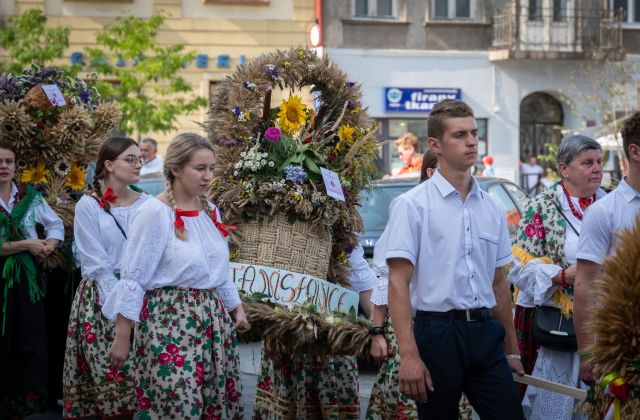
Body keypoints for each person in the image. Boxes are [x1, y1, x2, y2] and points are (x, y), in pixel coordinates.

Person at [385, 99, 524, 419]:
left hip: (485, 335)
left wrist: (511, 349)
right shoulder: (413, 206)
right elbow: (398, 281)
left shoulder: (491, 207)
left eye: (474, 133)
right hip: (437, 334)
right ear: (436, 145)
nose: (472, 141)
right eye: (459, 135)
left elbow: (498, 281)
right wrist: (408, 356)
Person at [104, 133, 249, 418]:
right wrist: (123, 335)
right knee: (178, 406)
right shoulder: (154, 213)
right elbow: (134, 277)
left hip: (212, 325)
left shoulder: (211, 211)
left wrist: (237, 309)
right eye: (200, 168)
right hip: (168, 324)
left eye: (211, 168)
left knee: (213, 405)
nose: (208, 176)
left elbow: (218, 272)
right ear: (176, 169)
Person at [509, 135, 604, 418]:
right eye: (587, 162)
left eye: (599, 161)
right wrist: (562, 276)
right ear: (564, 169)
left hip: (605, 324)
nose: (597, 168)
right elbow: (516, 267)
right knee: (556, 406)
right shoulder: (541, 207)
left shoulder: (612, 201)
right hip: (559, 329)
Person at [63, 137, 151, 419]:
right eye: (131, 159)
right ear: (109, 165)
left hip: (143, 298)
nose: (138, 164)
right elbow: (96, 263)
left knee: (143, 383)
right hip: (101, 300)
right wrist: (119, 311)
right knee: (108, 385)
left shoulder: (149, 205)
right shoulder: (89, 206)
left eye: (140, 159)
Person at [253, 245, 375, 419]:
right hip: (287, 336)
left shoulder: (339, 233)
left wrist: (377, 324)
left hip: (330, 339)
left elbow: (358, 274)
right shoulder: (280, 233)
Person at [0, 141, 65, 416]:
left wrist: (48, 245)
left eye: (8, 162)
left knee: (28, 335)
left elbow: (55, 223)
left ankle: (24, 399)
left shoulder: (29, 196)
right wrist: (27, 244)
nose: (3, 167)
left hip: (27, 277)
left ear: (16, 167)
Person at [575, 111, 640, 383]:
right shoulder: (604, 212)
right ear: (635, 151)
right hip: (624, 348)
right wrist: (589, 352)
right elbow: (586, 285)